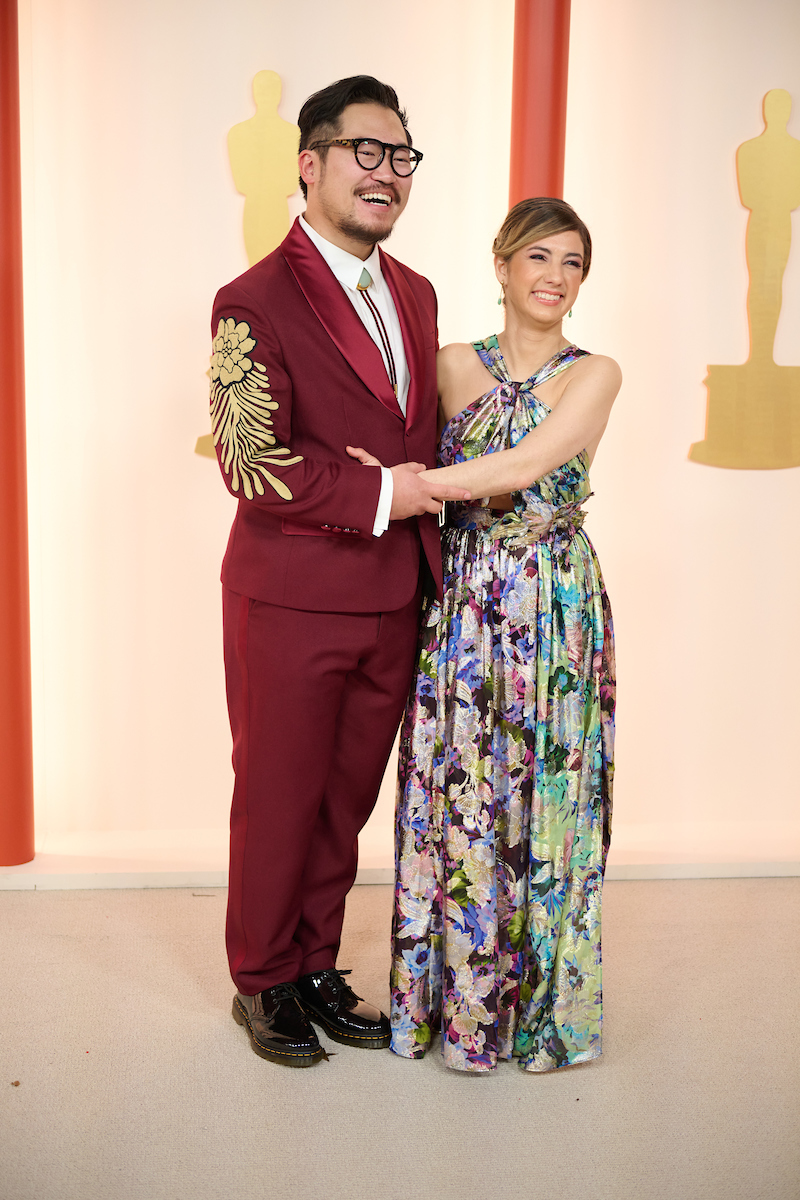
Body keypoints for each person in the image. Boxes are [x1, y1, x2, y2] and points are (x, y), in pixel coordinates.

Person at [210, 75, 467, 1068]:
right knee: (276, 791)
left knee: (345, 797)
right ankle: (261, 979)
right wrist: (379, 493)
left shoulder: (415, 291)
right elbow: (248, 456)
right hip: (289, 597)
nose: (387, 175)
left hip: (392, 596)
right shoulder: (253, 298)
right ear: (309, 165)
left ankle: (314, 961)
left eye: (401, 158)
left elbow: (416, 431)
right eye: (367, 152)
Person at [350, 197, 620, 1072]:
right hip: (462, 602)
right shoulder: (450, 363)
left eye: (572, 262)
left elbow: (529, 464)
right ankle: (454, 1013)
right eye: (537, 257)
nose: (553, 276)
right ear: (501, 266)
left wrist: (411, 480)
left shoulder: (597, 373)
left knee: (546, 794)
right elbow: (379, 438)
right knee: (460, 792)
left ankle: (539, 1017)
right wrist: (361, 473)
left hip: (554, 605)